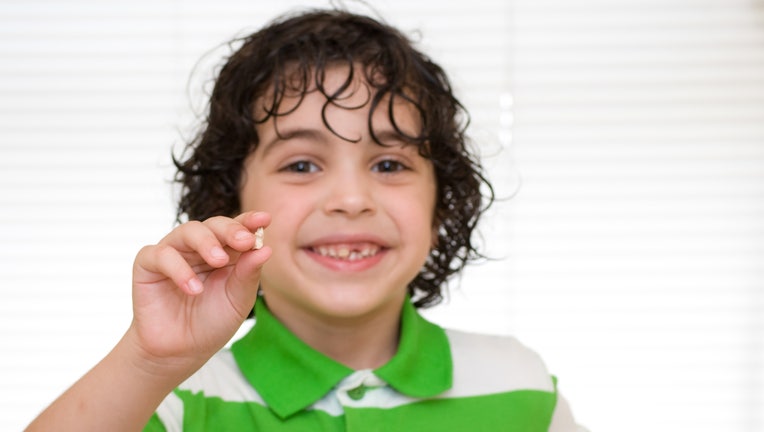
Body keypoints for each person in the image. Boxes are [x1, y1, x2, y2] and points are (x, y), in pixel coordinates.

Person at [27, 8, 584, 431]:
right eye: (301, 164)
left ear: (442, 205)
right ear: (229, 202)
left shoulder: (519, 385)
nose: (350, 198)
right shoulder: (175, 397)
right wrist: (149, 361)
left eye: (389, 164)